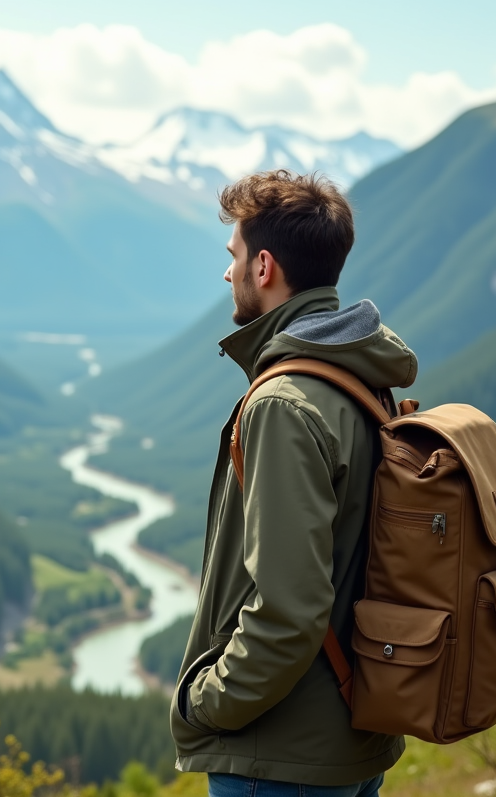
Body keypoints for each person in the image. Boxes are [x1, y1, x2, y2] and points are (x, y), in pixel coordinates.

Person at [169, 170, 417, 797]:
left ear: (264, 267)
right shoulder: (362, 377)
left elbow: (289, 612)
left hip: (277, 758)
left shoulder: (284, 404)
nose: (227, 273)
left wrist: (205, 703)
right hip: (353, 735)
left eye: (234, 256)